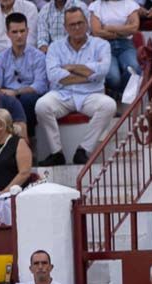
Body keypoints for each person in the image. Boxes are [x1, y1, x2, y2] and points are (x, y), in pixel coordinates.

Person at [37, 7, 117, 167]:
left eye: (80, 23)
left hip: (90, 95)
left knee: (109, 105)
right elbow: (54, 76)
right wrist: (88, 74)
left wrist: (70, 67)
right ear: (66, 27)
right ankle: (56, 152)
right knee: (41, 105)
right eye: (72, 24)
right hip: (63, 94)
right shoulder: (55, 47)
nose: (77, 27)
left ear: (87, 23)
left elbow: (102, 71)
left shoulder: (101, 44)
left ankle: (83, 150)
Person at [0, 13, 48, 128]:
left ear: (28, 31)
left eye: (22, 31)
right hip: (7, 95)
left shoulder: (38, 56)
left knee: (28, 98)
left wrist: (16, 92)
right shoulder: (0, 58)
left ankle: (28, 137)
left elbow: (41, 85)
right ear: (8, 34)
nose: (19, 36)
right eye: (15, 32)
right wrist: (7, 93)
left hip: (28, 97)